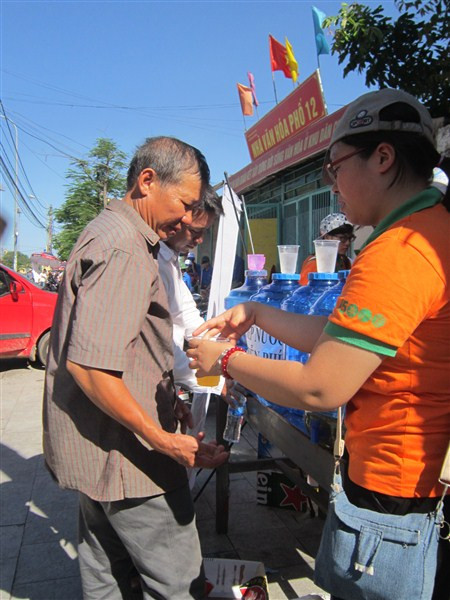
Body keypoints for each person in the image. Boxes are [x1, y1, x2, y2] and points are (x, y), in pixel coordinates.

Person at [187, 89, 450, 599]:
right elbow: (340, 338)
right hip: (404, 488)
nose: (332, 186)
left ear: (383, 157)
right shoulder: (427, 230)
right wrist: (258, 312)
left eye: (335, 167)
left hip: (391, 497)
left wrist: (227, 359)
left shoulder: (401, 251)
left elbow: (319, 387)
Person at [43, 136, 228, 600]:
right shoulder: (125, 247)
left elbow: (126, 346)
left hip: (103, 448)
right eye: (184, 203)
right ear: (147, 181)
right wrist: (161, 439)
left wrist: (166, 397)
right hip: (130, 459)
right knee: (177, 582)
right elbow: (90, 367)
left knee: (106, 574)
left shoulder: (117, 233)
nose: (187, 218)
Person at [158, 186, 223, 393]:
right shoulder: (154, 264)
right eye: (195, 231)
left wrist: (220, 353)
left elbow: (187, 315)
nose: (200, 240)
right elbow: (163, 346)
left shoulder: (170, 260)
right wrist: (217, 383)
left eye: (204, 232)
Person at [299, 212, 354, 285]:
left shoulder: (346, 262)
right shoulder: (315, 264)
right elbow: (303, 289)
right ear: (326, 237)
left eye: (350, 238)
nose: (347, 243)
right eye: (342, 238)